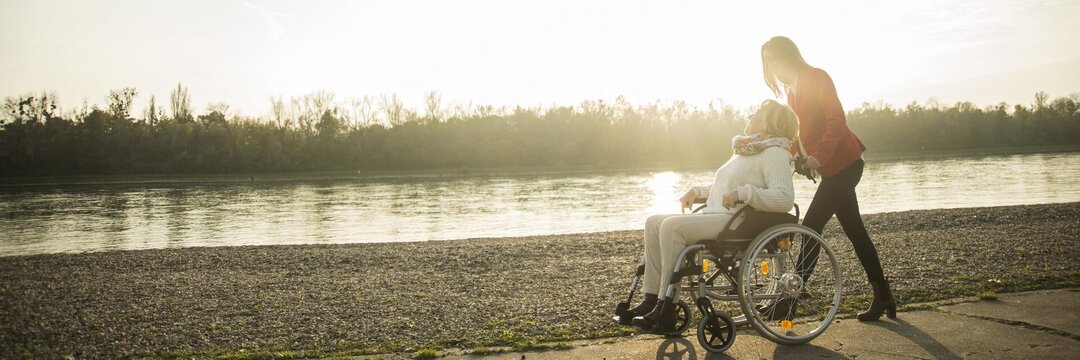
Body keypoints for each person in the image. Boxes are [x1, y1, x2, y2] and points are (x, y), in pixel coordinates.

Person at [629, 99, 798, 332]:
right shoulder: (746, 150)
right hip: (719, 215)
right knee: (654, 222)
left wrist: (743, 194)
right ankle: (650, 299)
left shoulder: (775, 153)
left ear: (769, 123)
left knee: (671, 227)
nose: (749, 115)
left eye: (756, 112)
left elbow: (784, 197)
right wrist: (696, 192)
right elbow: (722, 187)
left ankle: (666, 305)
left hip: (735, 222)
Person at [761, 35, 897, 321]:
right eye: (768, 66)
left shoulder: (816, 77)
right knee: (855, 231)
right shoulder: (792, 92)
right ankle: (884, 296)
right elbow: (800, 133)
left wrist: (818, 157)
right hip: (832, 170)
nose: (772, 70)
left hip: (846, 164)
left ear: (786, 56)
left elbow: (836, 120)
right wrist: (797, 156)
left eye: (772, 62)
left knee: (811, 226)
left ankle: (790, 299)